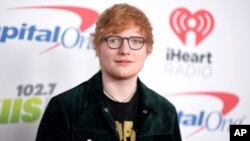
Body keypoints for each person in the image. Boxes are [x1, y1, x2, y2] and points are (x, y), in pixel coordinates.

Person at [36, 3, 182, 141]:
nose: (125, 50)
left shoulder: (165, 112)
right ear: (98, 46)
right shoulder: (64, 107)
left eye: (136, 41)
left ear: (147, 48)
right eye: (114, 40)